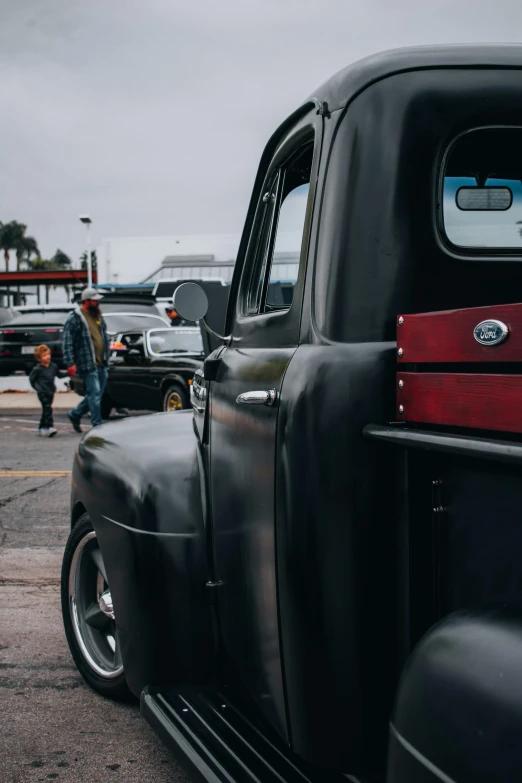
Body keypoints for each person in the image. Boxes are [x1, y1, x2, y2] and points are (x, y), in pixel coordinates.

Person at [63, 287, 110, 432]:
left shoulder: (98, 316)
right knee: (94, 394)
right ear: (86, 301)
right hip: (87, 363)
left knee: (96, 395)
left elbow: (103, 336)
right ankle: (97, 425)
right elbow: (67, 341)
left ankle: (75, 414)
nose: (97, 303)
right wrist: (70, 363)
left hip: (102, 362)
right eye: (95, 300)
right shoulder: (75, 318)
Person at [29, 344, 65, 437]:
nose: (48, 357)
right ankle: (50, 426)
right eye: (44, 355)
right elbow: (32, 380)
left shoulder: (53, 366)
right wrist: (38, 388)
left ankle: (41, 427)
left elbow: (60, 375)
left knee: (46, 410)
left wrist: (69, 373)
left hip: (50, 391)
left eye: (48, 354)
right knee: (48, 408)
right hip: (42, 392)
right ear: (39, 358)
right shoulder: (37, 369)